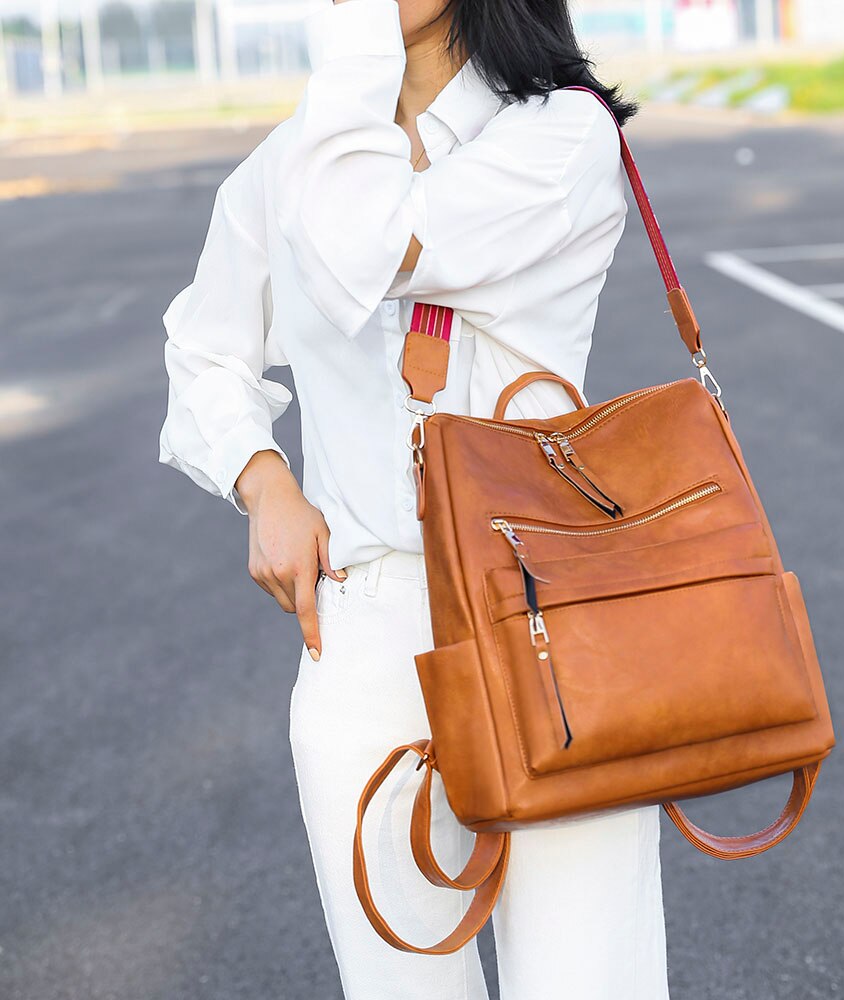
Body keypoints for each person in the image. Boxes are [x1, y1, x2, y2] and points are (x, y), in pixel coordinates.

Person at [157, 0, 670, 996]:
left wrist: (352, 51)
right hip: (365, 616)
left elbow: (370, 240)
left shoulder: (558, 132)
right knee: (400, 983)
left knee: (585, 977)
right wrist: (263, 483)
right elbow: (203, 344)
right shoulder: (297, 158)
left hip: (546, 616)